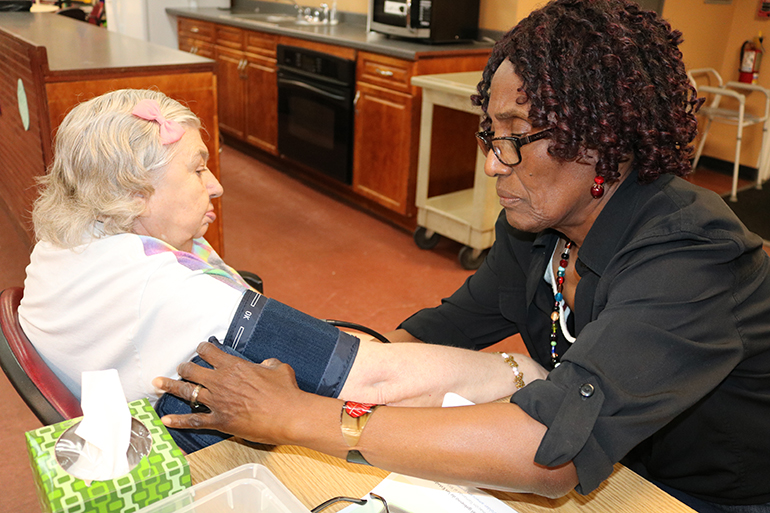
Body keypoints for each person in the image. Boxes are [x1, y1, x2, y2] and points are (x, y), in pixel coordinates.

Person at [153, 1, 770, 511]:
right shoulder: (540, 229)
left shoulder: (692, 254)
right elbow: (436, 331)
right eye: (489, 133)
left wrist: (299, 417)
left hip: (701, 496)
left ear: (599, 133)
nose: (492, 161)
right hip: (620, 466)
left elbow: (545, 452)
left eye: (515, 135)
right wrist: (329, 368)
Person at [18, 88, 544, 451]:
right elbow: (375, 380)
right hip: (193, 460)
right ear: (133, 193)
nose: (216, 185)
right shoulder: (173, 294)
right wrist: (522, 372)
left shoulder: (64, 241)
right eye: (197, 168)